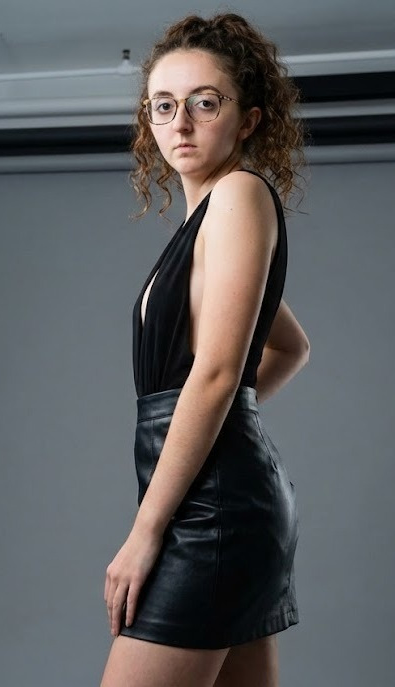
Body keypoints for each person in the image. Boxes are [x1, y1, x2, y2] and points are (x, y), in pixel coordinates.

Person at [100, 13, 310, 687]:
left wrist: (144, 531)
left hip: (212, 514)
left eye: (205, 102)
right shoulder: (207, 221)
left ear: (248, 120)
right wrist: (223, 420)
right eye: (164, 105)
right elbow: (290, 346)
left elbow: (217, 374)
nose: (181, 123)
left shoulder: (239, 196)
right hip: (217, 499)